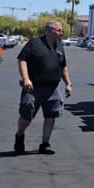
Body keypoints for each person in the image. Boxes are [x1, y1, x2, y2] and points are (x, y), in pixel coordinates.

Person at [14, 22, 73, 155]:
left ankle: (45, 144)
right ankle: (20, 135)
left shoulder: (59, 46)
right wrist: (26, 79)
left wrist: (68, 83)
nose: (61, 33)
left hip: (52, 88)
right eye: (58, 30)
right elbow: (22, 60)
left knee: (51, 115)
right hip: (33, 87)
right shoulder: (34, 44)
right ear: (48, 30)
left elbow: (63, 66)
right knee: (27, 113)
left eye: (61, 31)